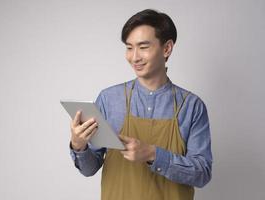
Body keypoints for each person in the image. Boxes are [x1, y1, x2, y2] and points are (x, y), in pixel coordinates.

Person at [69, 9, 212, 200]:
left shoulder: (192, 106)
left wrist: (153, 154)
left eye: (143, 47)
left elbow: (202, 173)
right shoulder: (109, 99)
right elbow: (89, 169)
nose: (134, 57)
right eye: (129, 47)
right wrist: (79, 146)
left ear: (167, 48)